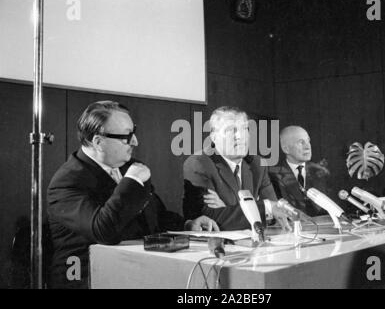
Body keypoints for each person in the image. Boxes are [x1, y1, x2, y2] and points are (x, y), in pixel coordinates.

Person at [47, 101, 218, 289]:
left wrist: (187, 224)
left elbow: (156, 216)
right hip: (87, 278)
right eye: (126, 136)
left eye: (133, 132)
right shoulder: (67, 182)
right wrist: (131, 183)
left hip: (136, 271)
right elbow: (104, 231)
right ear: (98, 142)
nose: (135, 141)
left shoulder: (129, 166)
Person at [183, 106, 294, 231]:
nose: (240, 137)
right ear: (213, 137)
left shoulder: (256, 163)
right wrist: (265, 208)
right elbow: (211, 219)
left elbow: (276, 213)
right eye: (231, 130)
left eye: (245, 129)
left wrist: (228, 208)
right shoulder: (199, 163)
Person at [269, 126, 328, 217]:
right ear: (286, 149)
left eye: (308, 141)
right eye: (301, 142)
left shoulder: (320, 172)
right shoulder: (272, 175)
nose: (307, 147)